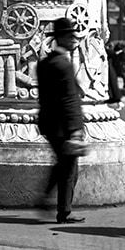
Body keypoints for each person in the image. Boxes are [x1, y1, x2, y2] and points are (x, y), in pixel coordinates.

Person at [36, 16, 86, 224]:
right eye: (70, 36)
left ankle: (47, 197)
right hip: (63, 125)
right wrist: (76, 128)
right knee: (69, 168)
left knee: (62, 164)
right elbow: (70, 99)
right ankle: (63, 211)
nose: (74, 39)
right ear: (61, 38)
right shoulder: (63, 65)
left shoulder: (44, 64)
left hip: (48, 123)